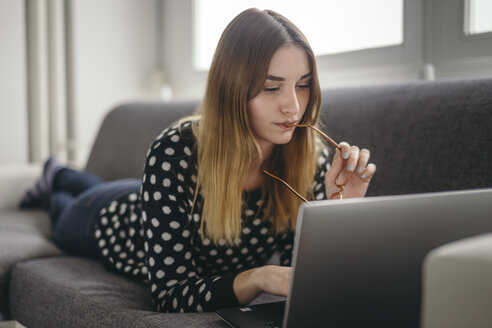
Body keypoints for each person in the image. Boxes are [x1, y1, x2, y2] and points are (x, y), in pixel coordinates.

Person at [20, 8, 375, 313]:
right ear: (232, 89)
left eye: (303, 84)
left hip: (144, 194)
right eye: (271, 87)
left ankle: (63, 174)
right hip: (108, 217)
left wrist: (339, 208)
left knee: (92, 183)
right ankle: (56, 176)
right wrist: (257, 276)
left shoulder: (313, 156)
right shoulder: (174, 151)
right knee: (62, 206)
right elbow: (171, 296)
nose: (293, 106)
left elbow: (305, 280)